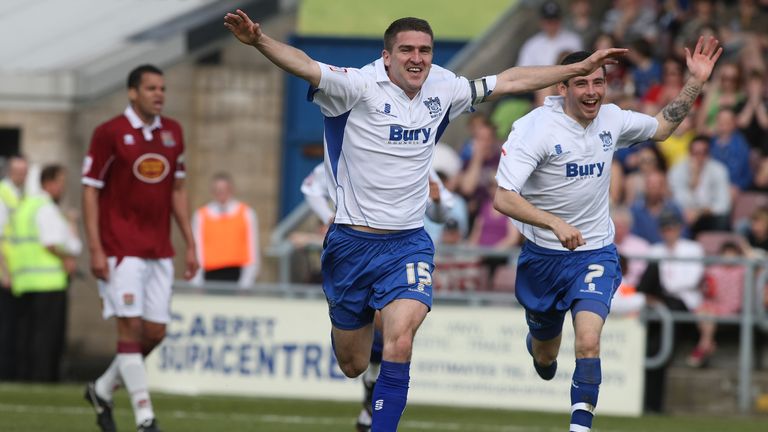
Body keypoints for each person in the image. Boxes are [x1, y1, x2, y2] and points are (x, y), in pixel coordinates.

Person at [224, 9, 628, 431]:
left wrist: (575, 68)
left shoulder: (445, 87)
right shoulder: (356, 86)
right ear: (387, 56)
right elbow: (306, 65)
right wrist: (259, 41)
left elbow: (508, 80)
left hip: (408, 243)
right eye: (407, 50)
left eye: (425, 51)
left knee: (400, 339)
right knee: (352, 362)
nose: (417, 59)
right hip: (351, 243)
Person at [493, 38, 721, 432]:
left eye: (599, 82)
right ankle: (540, 348)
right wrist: (554, 223)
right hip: (543, 256)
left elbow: (664, 127)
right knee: (547, 355)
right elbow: (502, 197)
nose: (592, 91)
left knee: (588, 342)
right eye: (582, 83)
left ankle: (580, 427)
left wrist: (695, 81)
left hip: (594, 253)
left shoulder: (612, 120)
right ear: (562, 87)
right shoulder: (534, 130)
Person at [82, 64, 198, 432]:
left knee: (155, 333)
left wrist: (190, 243)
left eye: (162, 88)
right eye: (151, 88)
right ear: (133, 93)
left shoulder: (173, 133)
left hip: (159, 249)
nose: (159, 94)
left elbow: (178, 189)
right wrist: (97, 248)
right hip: (120, 248)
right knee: (129, 328)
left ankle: (102, 389)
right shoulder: (109, 133)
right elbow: (90, 190)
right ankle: (146, 417)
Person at [10, 164, 80, 382]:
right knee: (48, 336)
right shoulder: (46, 208)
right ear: (48, 183)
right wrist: (67, 259)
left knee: (27, 334)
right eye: (60, 182)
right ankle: (44, 376)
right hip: (48, 281)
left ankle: (26, 375)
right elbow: (51, 243)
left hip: (24, 280)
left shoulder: (25, 207)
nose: (63, 188)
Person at [191, 172, 259, 288]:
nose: (221, 193)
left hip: (237, 274)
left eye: (224, 189)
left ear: (231, 189)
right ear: (212, 191)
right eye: (217, 190)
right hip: (209, 275)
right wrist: (197, 280)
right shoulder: (200, 215)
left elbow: (252, 248)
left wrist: (247, 281)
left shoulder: (247, 213)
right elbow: (198, 248)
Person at [667, 135, 732, 236]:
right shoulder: (678, 170)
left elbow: (723, 205)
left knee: (722, 219)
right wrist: (693, 181)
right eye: (695, 153)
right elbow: (677, 200)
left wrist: (701, 212)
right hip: (686, 215)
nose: (699, 157)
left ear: (708, 153)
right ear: (689, 153)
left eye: (703, 153)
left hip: (709, 216)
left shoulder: (719, 170)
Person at [0, 155, 27, 380]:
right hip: (5, 272)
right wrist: (5, 272)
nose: (22, 175)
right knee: (5, 327)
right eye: (18, 171)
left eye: (24, 171)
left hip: (18, 273)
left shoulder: (21, 195)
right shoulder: (3, 195)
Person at [516, 0, 582, 68]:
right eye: (548, 21)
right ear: (541, 22)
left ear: (561, 20)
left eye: (555, 20)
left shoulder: (573, 40)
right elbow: (522, 71)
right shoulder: (531, 45)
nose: (552, 24)